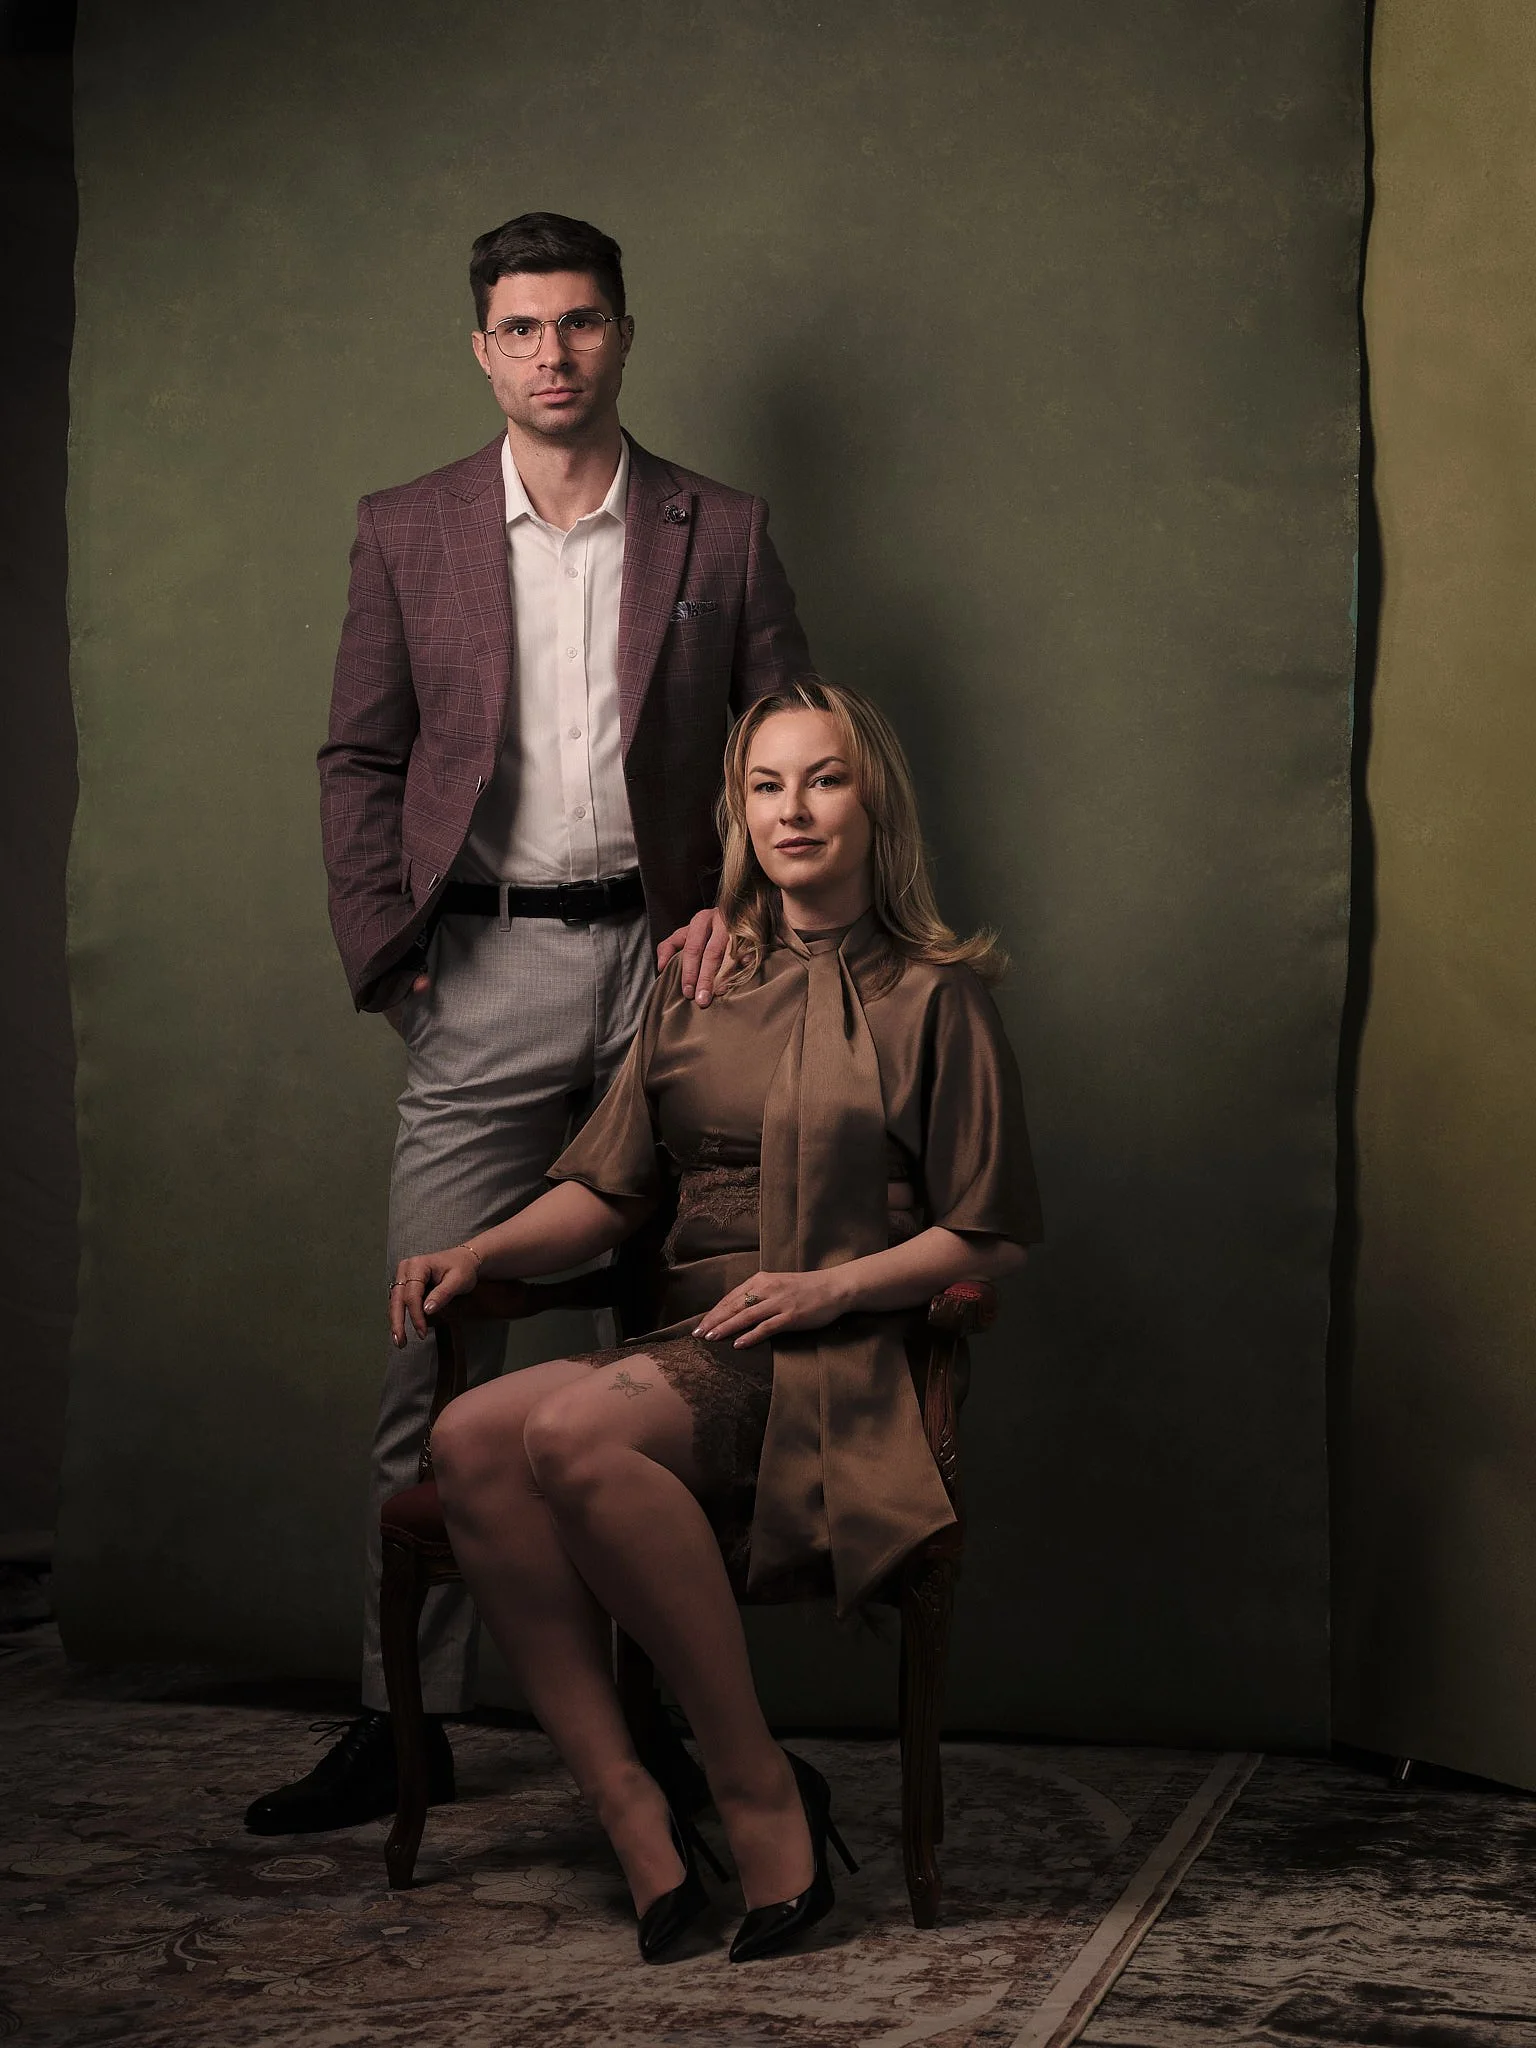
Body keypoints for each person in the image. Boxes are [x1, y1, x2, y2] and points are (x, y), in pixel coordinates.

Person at [246, 212, 810, 1836]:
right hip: (480, 972)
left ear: (624, 332)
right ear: (479, 348)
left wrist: (741, 908)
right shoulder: (408, 528)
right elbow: (358, 757)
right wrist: (389, 954)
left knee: (673, 1361)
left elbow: (793, 732)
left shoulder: (724, 528)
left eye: (578, 322)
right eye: (518, 328)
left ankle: (675, 1721)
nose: (550, 353)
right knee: (430, 1342)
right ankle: (397, 1720)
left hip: (673, 972)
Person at [391, 679, 1042, 1962]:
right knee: (469, 1432)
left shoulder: (938, 994)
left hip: (834, 1349)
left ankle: (755, 1790)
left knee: (572, 1431)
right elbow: (600, 1190)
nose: (794, 808)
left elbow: (992, 1230)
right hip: (690, 1345)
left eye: (825, 778)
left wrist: (835, 1284)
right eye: (766, 784)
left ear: (875, 803)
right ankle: (630, 1799)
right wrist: (476, 1246)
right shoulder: (693, 981)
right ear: (739, 816)